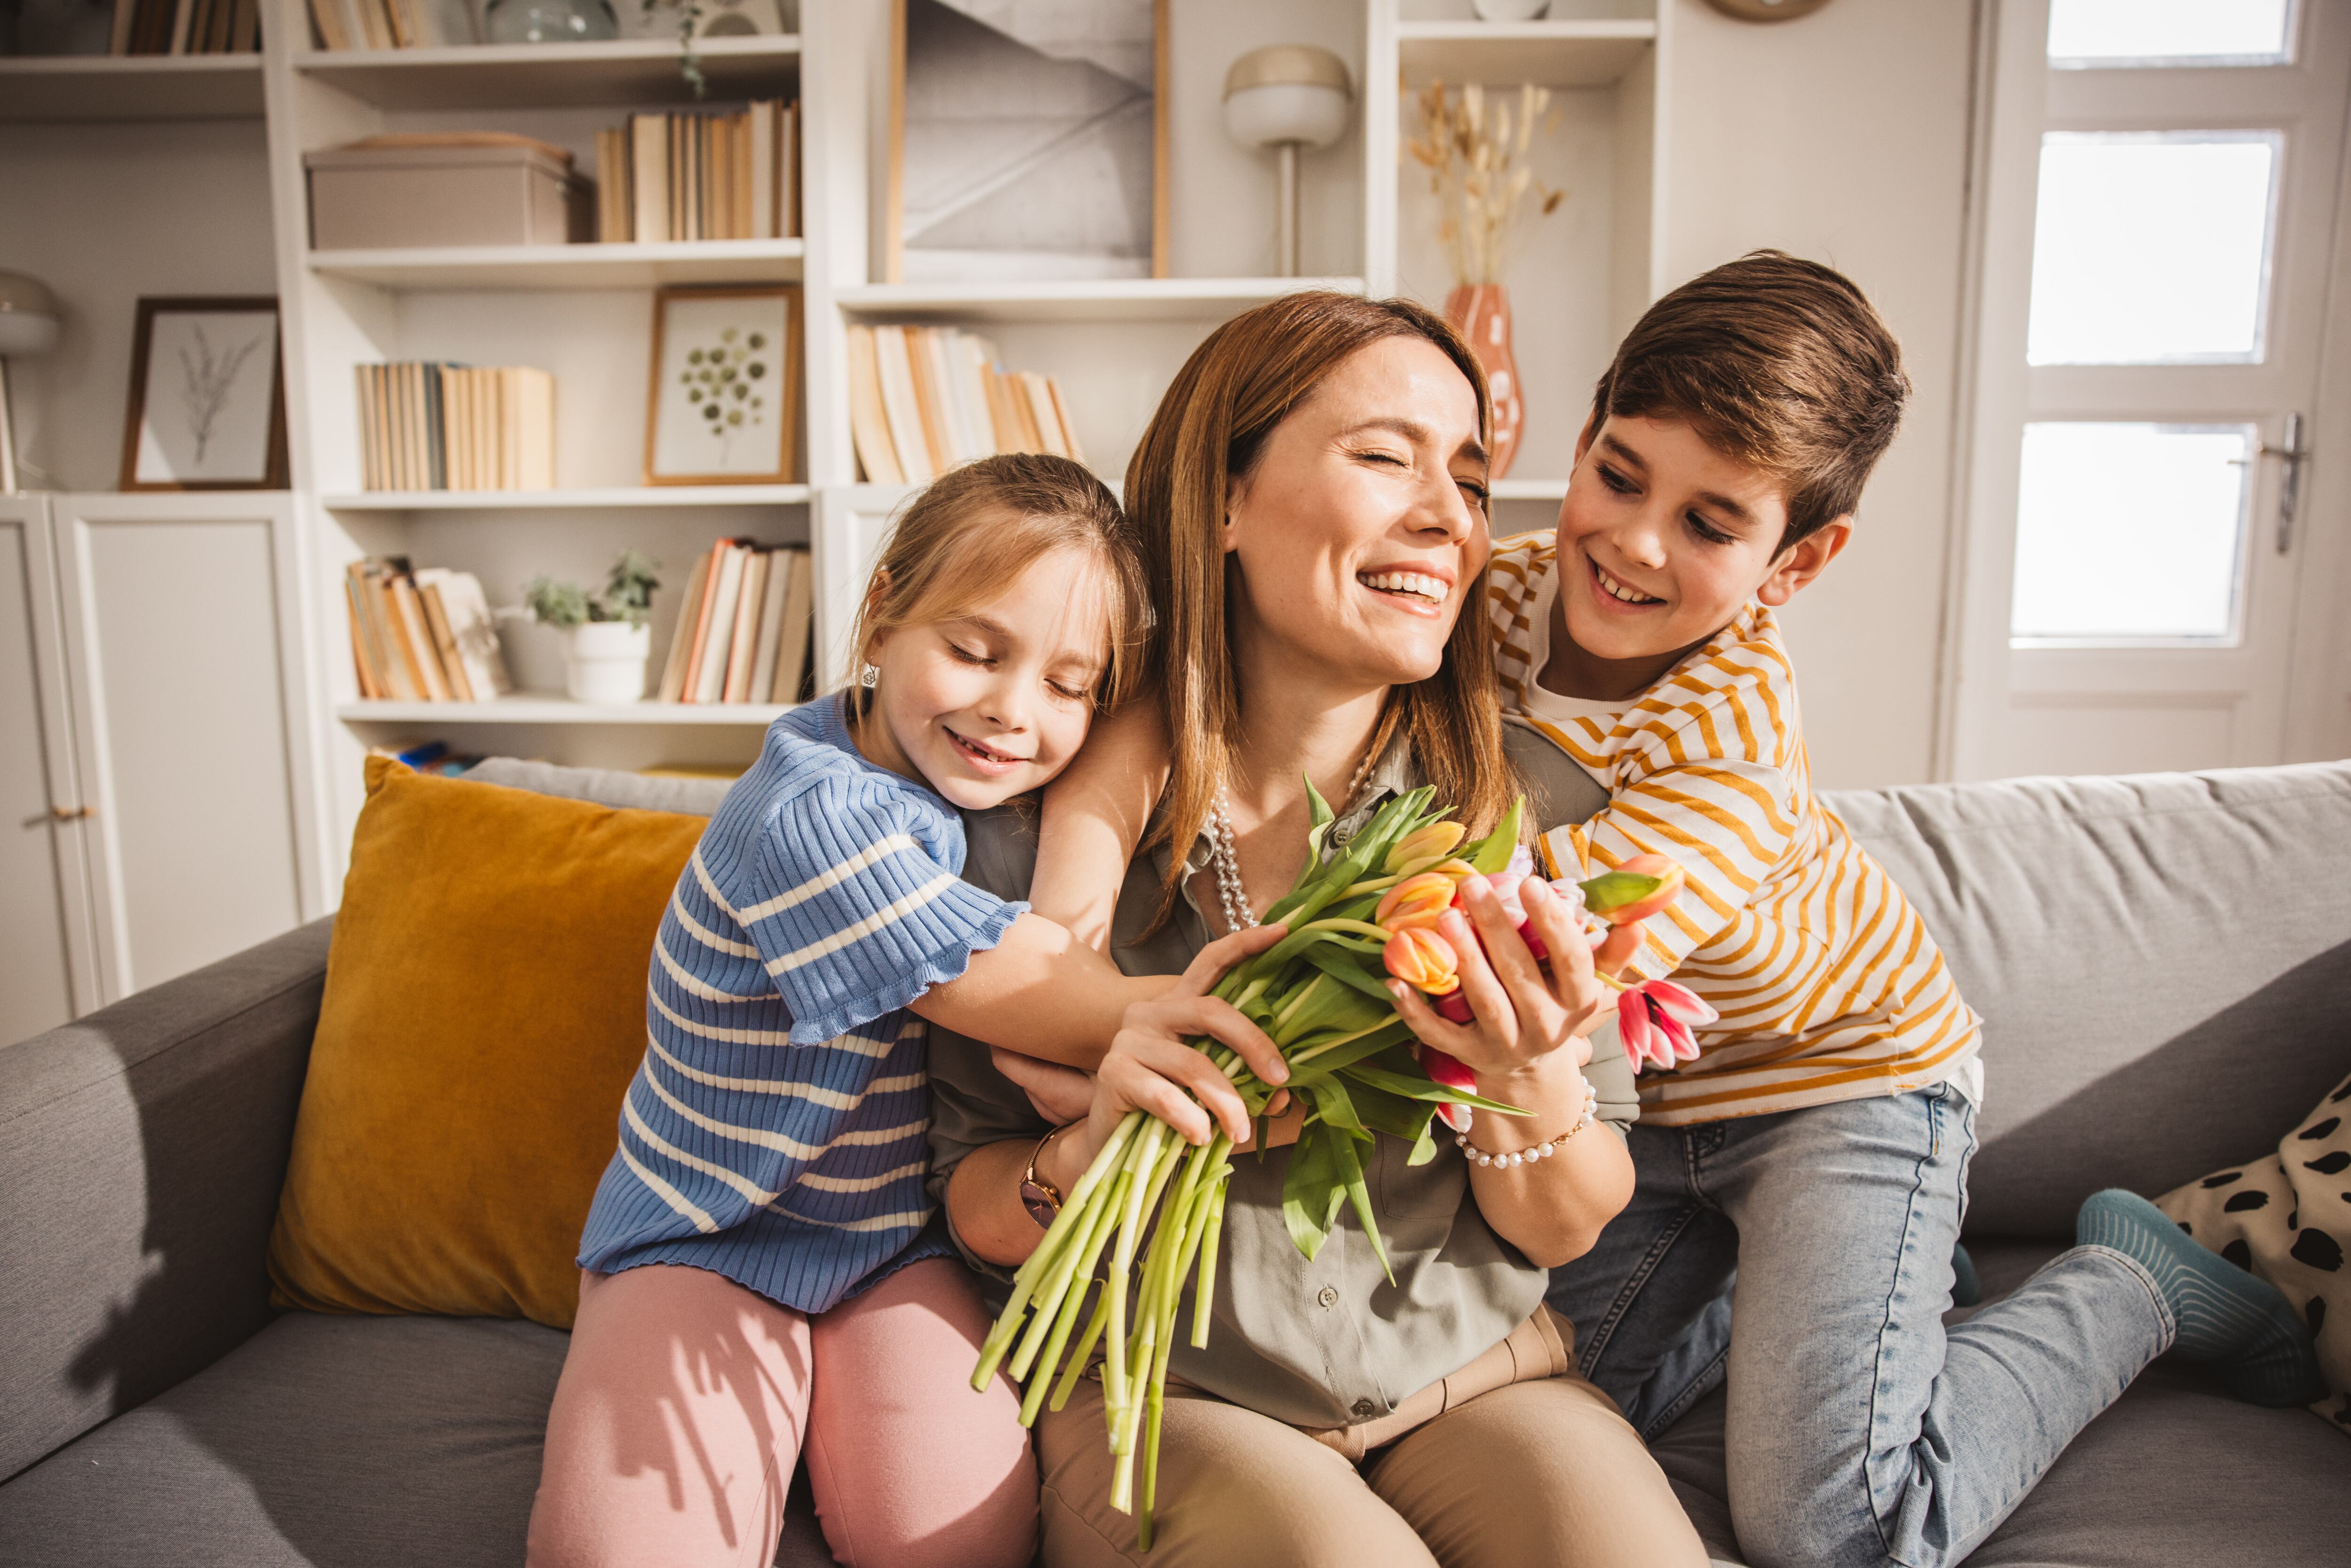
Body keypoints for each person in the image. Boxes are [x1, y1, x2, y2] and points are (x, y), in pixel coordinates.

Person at [1485, 251, 2324, 1568]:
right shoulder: (1496, 600)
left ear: (1799, 560)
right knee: (1544, 1419)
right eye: (1621, 474)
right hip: (1657, 1114)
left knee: (1842, 1530)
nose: (1636, 543)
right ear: (1585, 435)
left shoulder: (1734, 730)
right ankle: (1869, 1298)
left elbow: (1555, 952)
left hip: (1845, 1081)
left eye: (1711, 524)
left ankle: (2135, 1285)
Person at [927, 292, 1710, 1568]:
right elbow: (969, 1201)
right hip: (1166, 1402)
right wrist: (1087, 1154)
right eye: (1387, 457)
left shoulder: (1503, 815)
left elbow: (1568, 1225)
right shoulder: (1027, 824)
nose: (1450, 518)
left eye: (1470, 481)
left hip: (1477, 1380)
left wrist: (1520, 1071)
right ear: (1223, 499)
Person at [529, 455, 1176, 1568]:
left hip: (889, 1245)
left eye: (1070, 686)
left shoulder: (982, 801)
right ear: (882, 616)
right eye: (976, 651)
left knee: (956, 1538)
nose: (1012, 710)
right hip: (706, 1232)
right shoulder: (812, 816)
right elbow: (1053, 999)